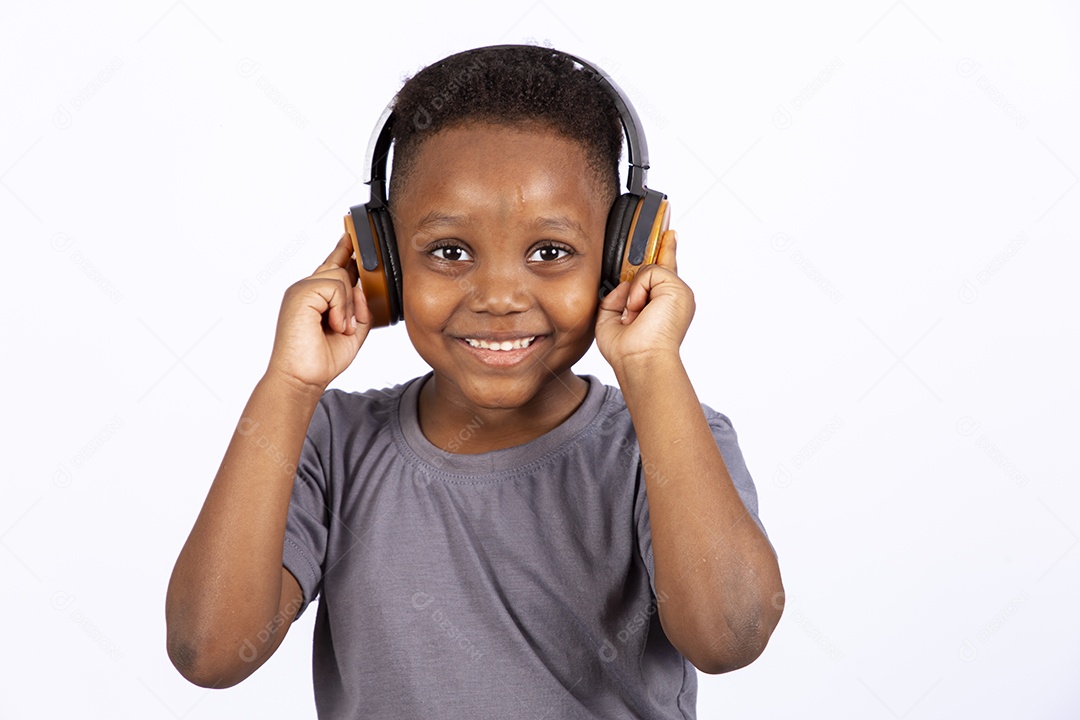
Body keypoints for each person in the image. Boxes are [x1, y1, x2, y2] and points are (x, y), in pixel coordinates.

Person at [165, 45, 783, 719]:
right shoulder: (328, 443)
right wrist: (287, 384)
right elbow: (209, 651)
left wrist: (652, 367)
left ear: (619, 262)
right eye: (448, 252)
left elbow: (730, 637)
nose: (497, 296)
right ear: (382, 263)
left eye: (551, 252)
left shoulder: (664, 444)